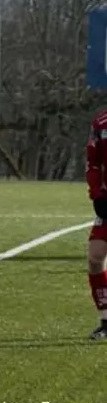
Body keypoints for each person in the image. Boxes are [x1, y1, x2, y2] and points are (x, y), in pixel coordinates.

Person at [86, 108, 107, 340]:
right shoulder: (101, 123)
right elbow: (92, 163)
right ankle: (106, 321)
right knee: (95, 256)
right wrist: (97, 194)